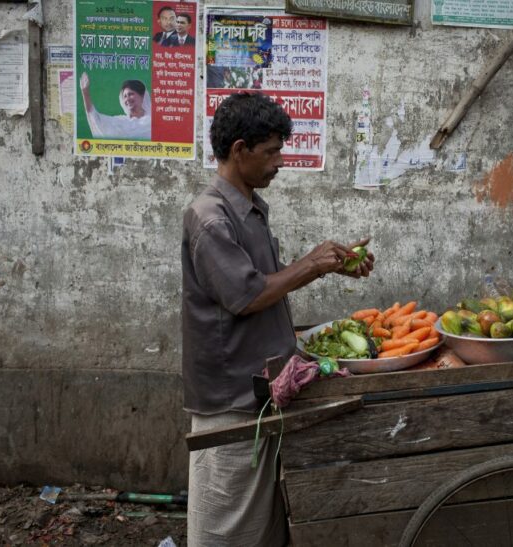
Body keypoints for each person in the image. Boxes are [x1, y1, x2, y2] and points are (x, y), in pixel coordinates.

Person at [182, 92, 374, 547]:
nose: (279, 162)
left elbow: (268, 284)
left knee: (262, 523)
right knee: (223, 525)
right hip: (229, 400)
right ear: (239, 150)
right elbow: (247, 295)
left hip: (261, 391)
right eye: (270, 152)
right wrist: (312, 264)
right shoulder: (210, 218)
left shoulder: (246, 209)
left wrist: (329, 264)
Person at [79, 74, 151, 140]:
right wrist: (85, 92)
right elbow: (96, 118)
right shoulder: (119, 122)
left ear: (142, 96)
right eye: (125, 96)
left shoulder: (151, 122)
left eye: (131, 94)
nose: (127, 99)